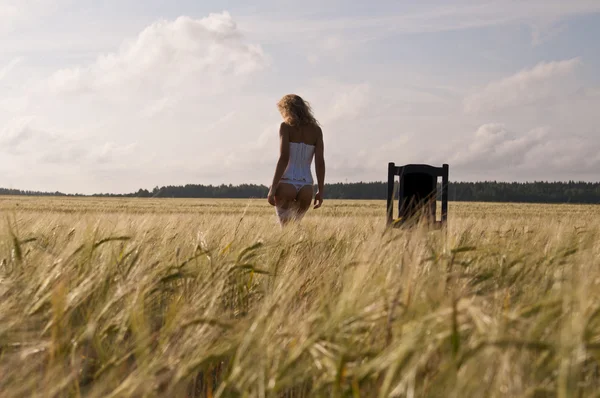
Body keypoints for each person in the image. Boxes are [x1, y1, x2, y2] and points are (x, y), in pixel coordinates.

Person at [267, 94, 325, 225]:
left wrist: (273, 187)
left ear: (286, 110)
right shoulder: (316, 131)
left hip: (286, 183)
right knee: (295, 227)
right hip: (306, 187)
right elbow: (320, 163)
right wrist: (320, 191)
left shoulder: (286, 127)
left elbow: (284, 158)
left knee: (285, 229)